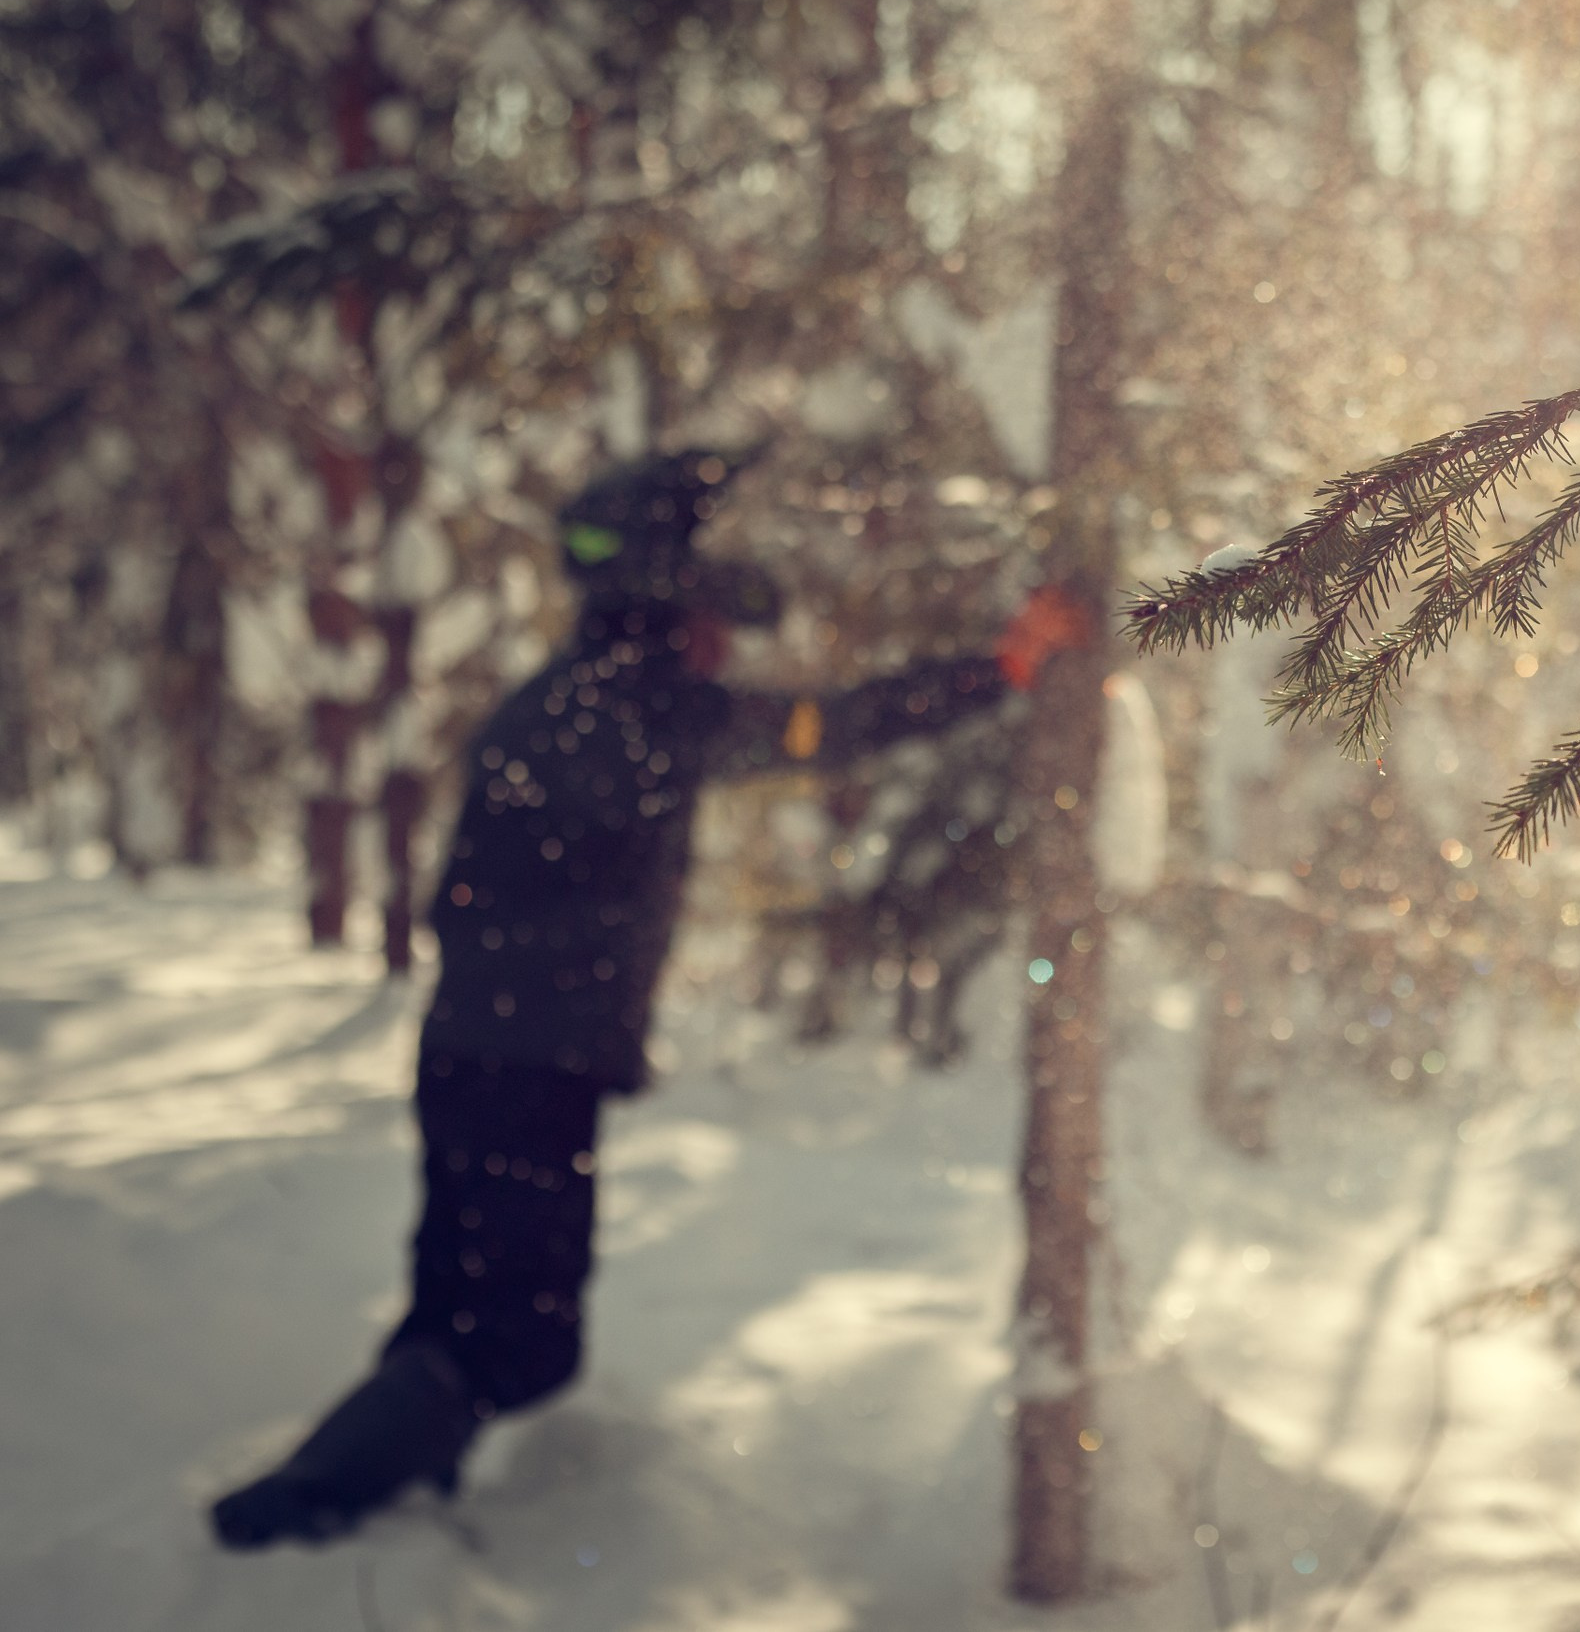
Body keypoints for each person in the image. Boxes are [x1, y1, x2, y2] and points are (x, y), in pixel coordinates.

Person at [211, 451, 1084, 1549]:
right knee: (518, 1340)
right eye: (714, 615)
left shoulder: (566, 699)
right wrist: (1003, 666)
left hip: (479, 1061)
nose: (728, 644)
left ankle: (383, 1507)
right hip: (525, 1075)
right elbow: (829, 725)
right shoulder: (636, 709)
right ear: (667, 603)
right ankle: (309, 1513)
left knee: (462, 1310)